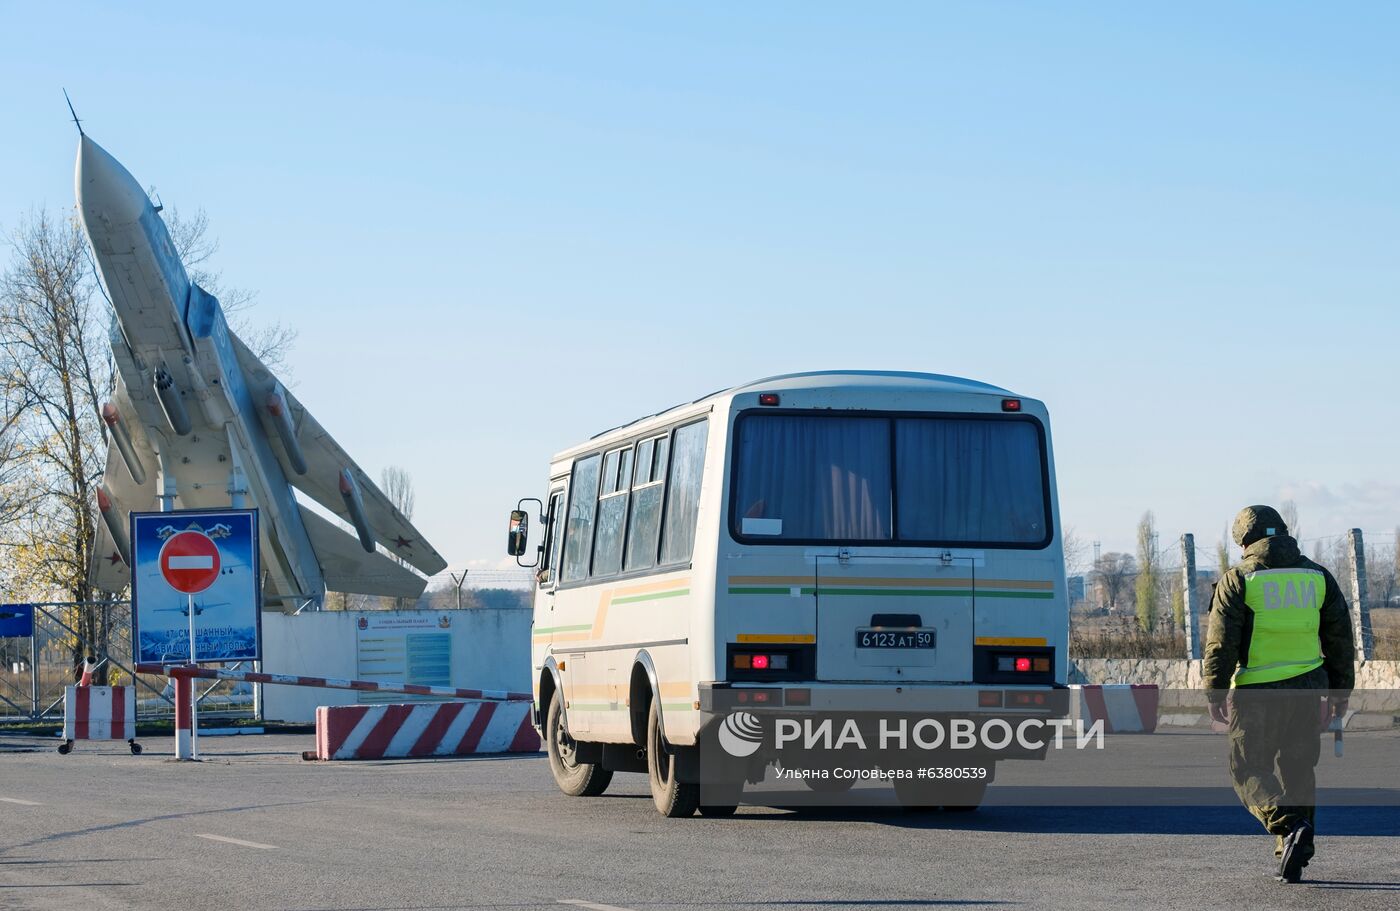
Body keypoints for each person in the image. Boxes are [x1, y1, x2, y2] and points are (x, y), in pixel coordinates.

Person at [1203, 505, 1354, 884]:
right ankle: (1295, 854)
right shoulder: (1318, 577)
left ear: (1244, 540)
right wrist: (1340, 690)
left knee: (1248, 769)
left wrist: (1214, 692)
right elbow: (1339, 639)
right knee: (1298, 768)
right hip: (1309, 689)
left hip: (1258, 693)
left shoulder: (1238, 579)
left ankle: (1289, 827)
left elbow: (1221, 644)